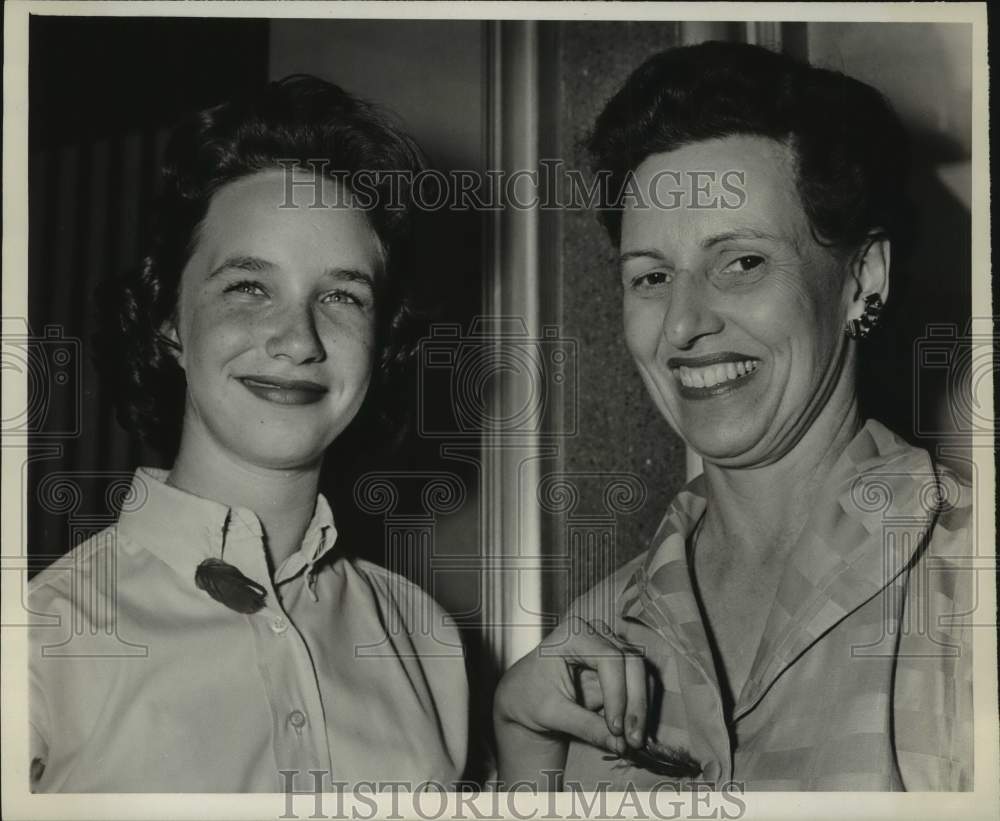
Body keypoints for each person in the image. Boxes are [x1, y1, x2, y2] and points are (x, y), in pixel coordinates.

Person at [494, 42, 972, 791]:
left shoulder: (971, 578)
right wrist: (527, 758)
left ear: (861, 280)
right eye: (651, 277)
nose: (683, 324)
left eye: (741, 262)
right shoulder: (596, 632)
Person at [29, 75, 468, 792]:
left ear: (381, 340)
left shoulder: (429, 640)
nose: (298, 340)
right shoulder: (40, 642)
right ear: (167, 317)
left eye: (341, 296)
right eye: (248, 287)